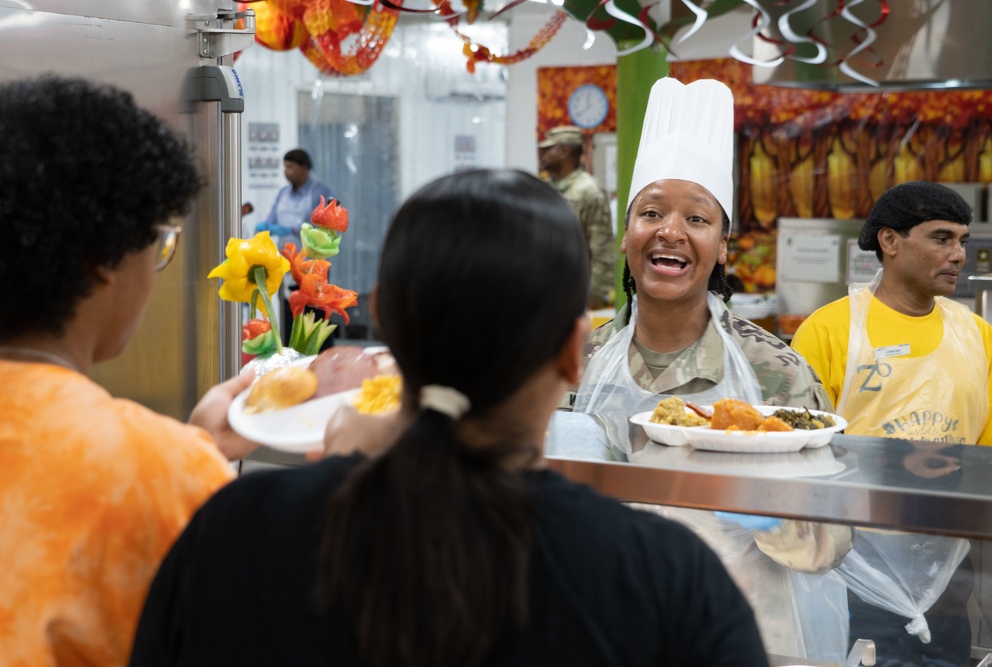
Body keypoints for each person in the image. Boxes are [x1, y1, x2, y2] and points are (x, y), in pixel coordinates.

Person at [128, 169, 769, 667]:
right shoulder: (667, 579)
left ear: (384, 317)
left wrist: (203, 452)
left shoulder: (238, 532)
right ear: (575, 353)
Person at [571, 77, 852, 664]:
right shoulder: (580, 362)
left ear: (723, 246)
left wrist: (766, 514)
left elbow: (835, 538)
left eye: (696, 219)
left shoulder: (773, 371)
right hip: (609, 634)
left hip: (742, 639)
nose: (670, 231)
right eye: (651, 212)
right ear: (626, 237)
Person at [0, 75, 256, 666]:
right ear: (101, 261)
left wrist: (194, 446)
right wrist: (187, 458)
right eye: (159, 242)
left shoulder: (165, 460)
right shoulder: (158, 470)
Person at [792, 180, 992, 666]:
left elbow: (988, 456)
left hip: (950, 570)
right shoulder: (829, 330)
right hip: (855, 568)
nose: (958, 256)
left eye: (963, 242)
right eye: (941, 238)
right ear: (890, 241)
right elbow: (799, 458)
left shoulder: (977, 335)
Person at [256, 149, 336, 342]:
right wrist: (266, 228)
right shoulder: (283, 193)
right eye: (285, 166)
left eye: (291, 167)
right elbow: (271, 219)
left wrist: (293, 229)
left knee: (314, 319)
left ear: (304, 168)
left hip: (312, 265)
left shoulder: (320, 192)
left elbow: (327, 227)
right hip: (287, 264)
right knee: (290, 315)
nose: (286, 171)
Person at [538, 125, 618, 309]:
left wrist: (594, 297)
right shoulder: (546, 188)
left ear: (564, 151)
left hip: (575, 292)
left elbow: (602, 250)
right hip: (547, 288)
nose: (543, 155)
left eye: (547, 150)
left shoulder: (588, 191)